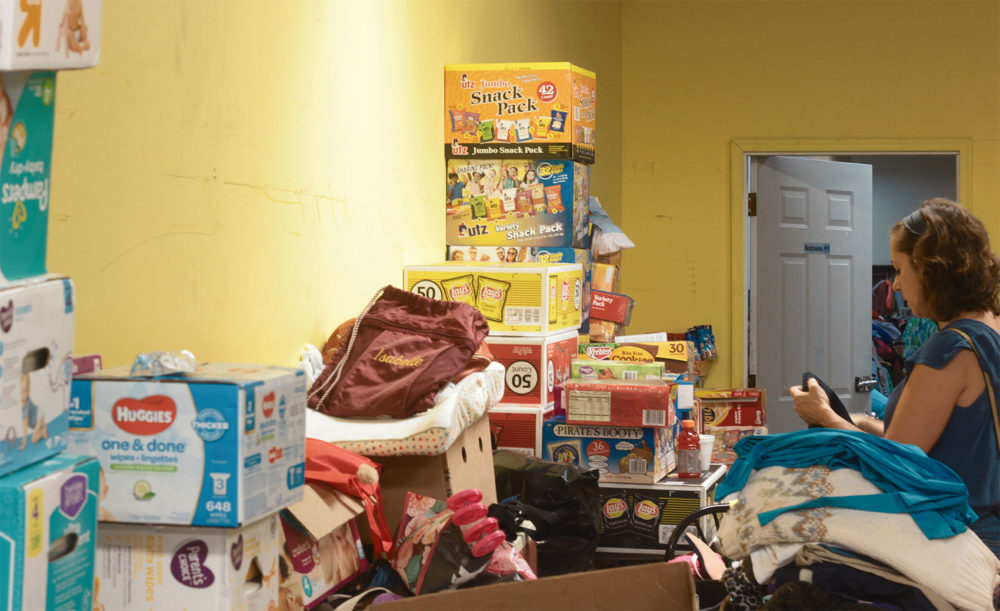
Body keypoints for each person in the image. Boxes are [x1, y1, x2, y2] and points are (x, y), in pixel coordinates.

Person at [791, 198, 1000, 556]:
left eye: (901, 270)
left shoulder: (949, 350)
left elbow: (895, 463)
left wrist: (823, 418)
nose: (897, 285)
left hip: (950, 536)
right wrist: (865, 424)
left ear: (932, 270)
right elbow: (951, 440)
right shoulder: (988, 333)